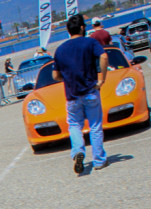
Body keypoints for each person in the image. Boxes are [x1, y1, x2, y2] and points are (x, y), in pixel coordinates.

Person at [53, 14, 109, 173]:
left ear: (68, 30)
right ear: (83, 27)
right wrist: (102, 79)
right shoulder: (90, 42)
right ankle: (99, 160)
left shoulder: (60, 49)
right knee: (95, 126)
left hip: (72, 95)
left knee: (74, 126)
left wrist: (68, 77)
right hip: (91, 90)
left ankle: (78, 151)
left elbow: (55, 75)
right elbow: (104, 57)